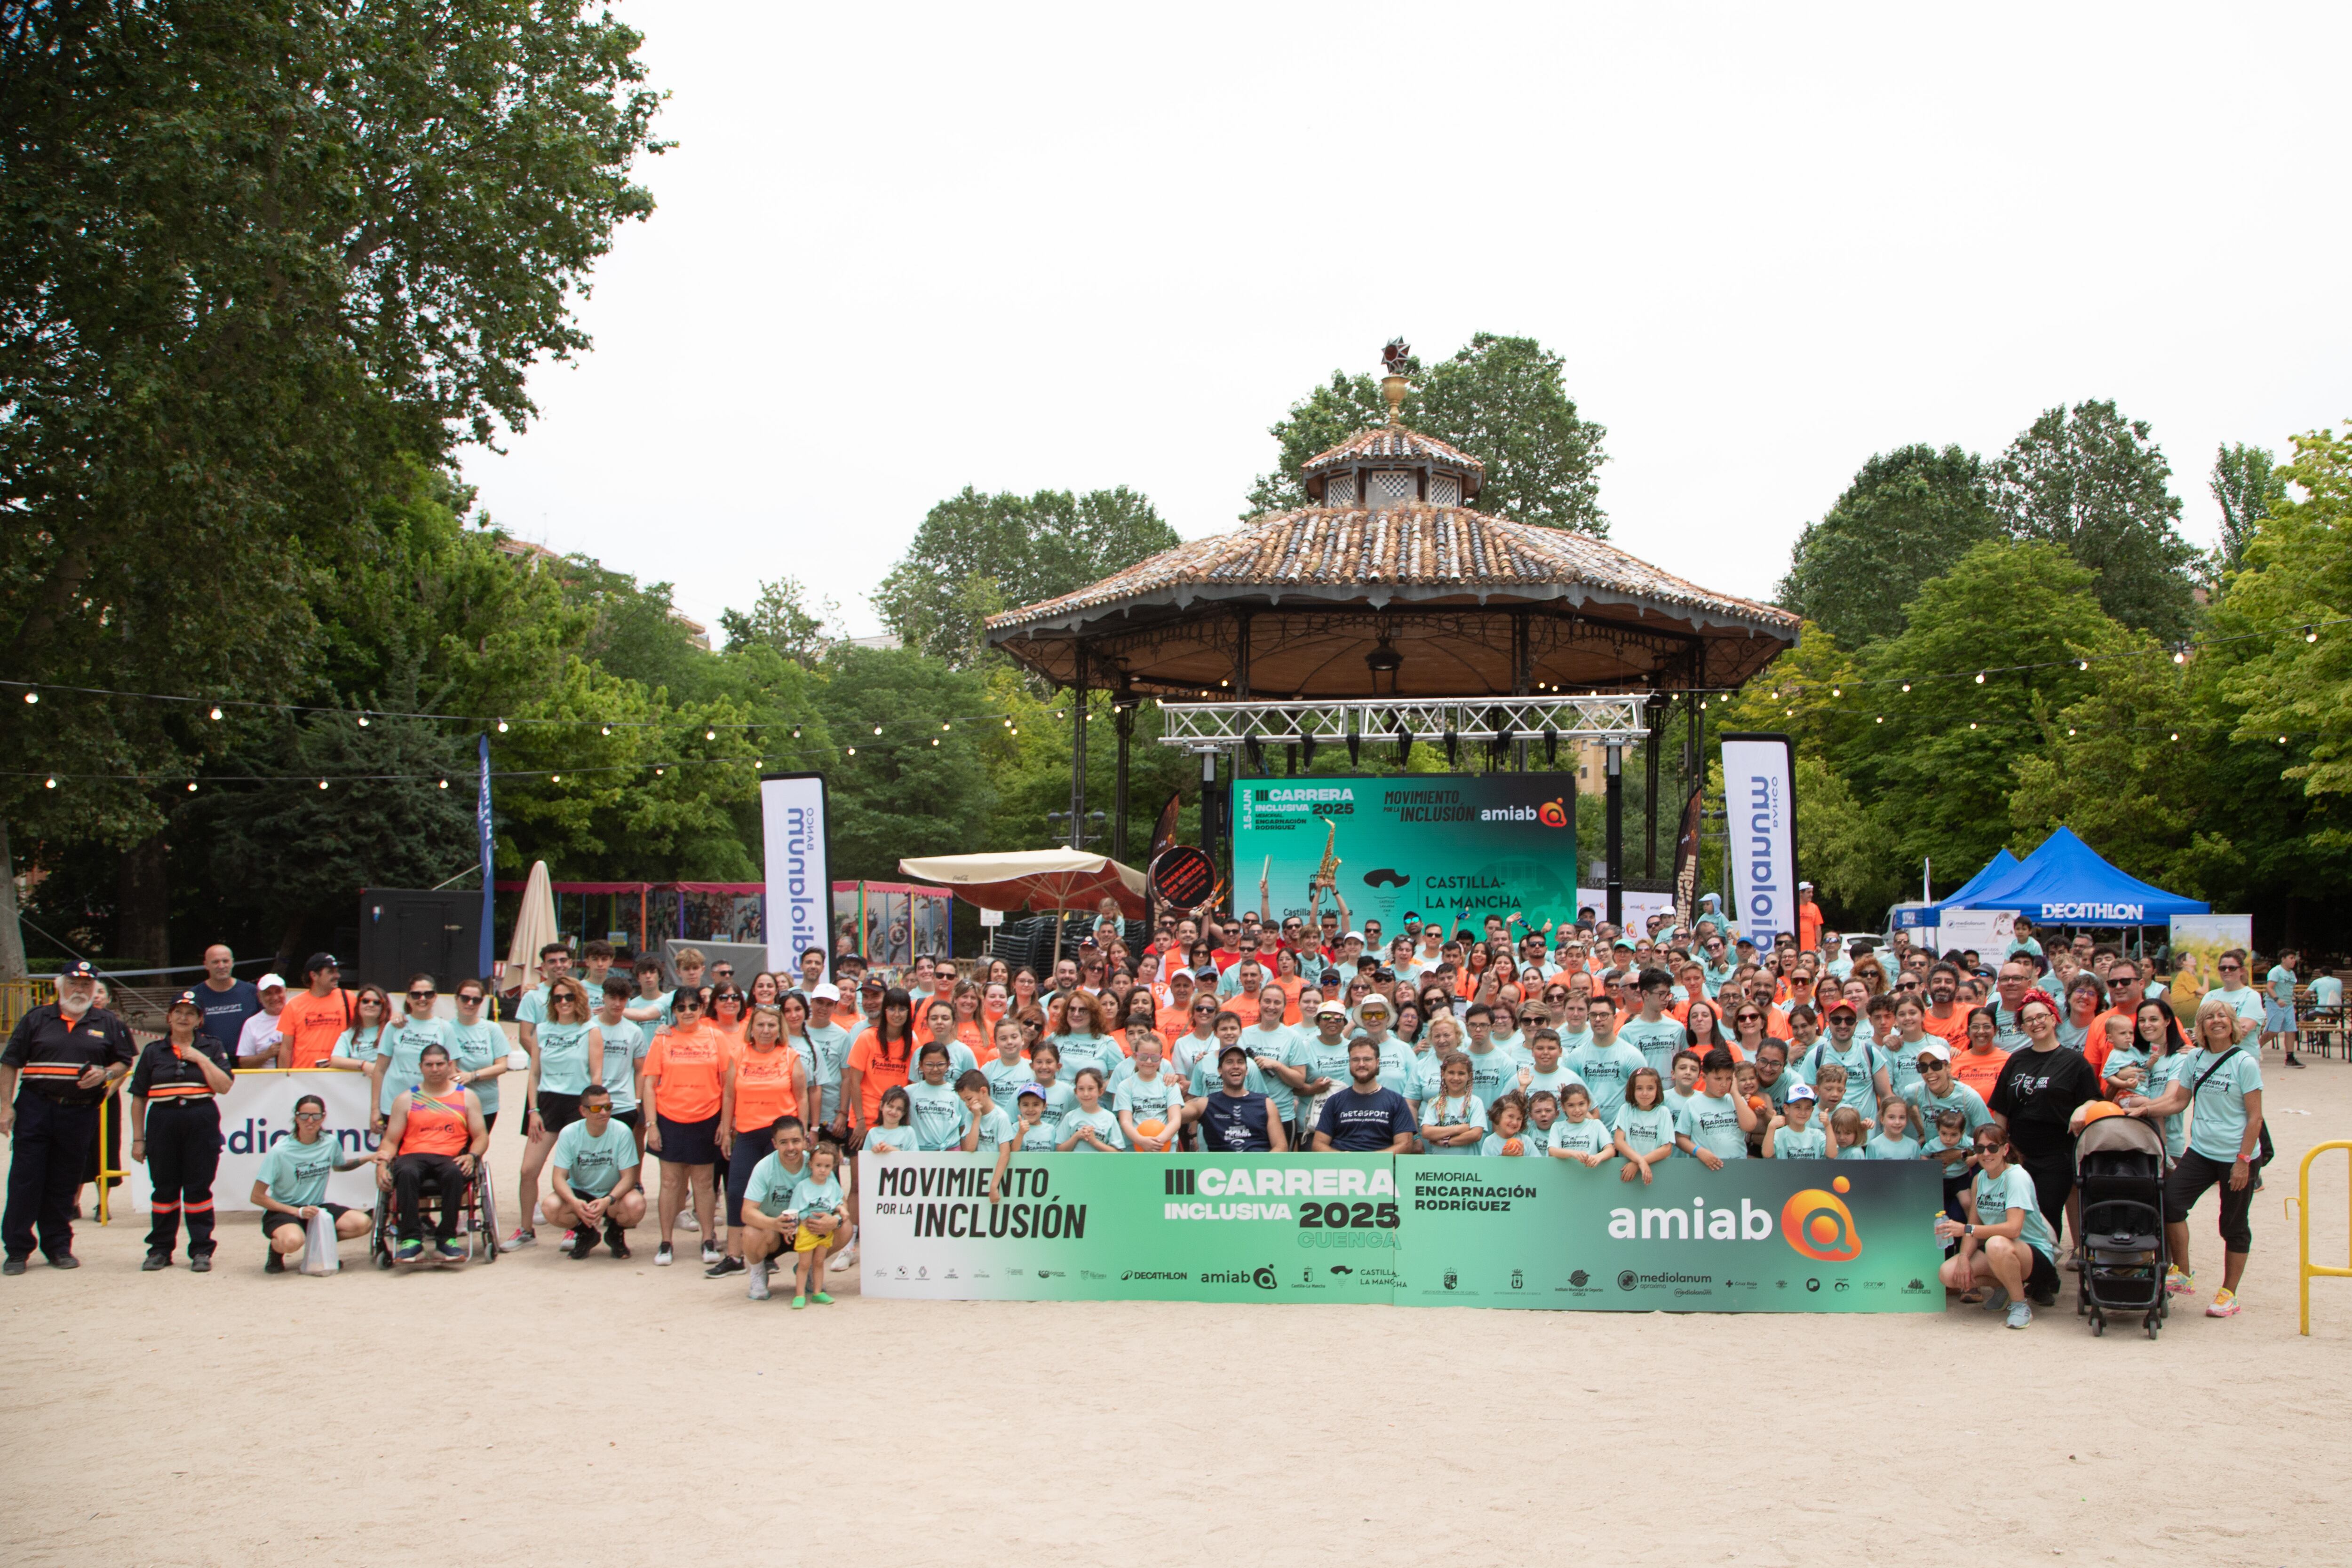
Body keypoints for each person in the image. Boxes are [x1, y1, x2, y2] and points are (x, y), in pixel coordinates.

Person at [2128, 997, 2266, 1319]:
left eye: (2223, 1016)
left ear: (2232, 1024)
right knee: (2171, 1203)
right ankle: (2183, 1272)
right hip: (2202, 1151)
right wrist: (2145, 1110)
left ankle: (2229, 1293)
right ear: (2200, 1026)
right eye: (2209, 1017)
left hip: (2237, 1155)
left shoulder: (2244, 1063)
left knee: (2232, 1225)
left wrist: (2243, 1161)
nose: (2216, 1021)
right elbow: (2179, 1102)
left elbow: (2256, 1118)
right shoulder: (2195, 1059)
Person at [1, 961, 136, 1273]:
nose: (80, 990)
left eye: (87, 985)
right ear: (59, 985)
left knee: (64, 1182)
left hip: (79, 1112)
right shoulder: (37, 1018)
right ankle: (18, 1250)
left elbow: (124, 1061)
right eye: (74, 983)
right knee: (26, 1179)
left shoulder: (107, 1021)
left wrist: (106, 1073)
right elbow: (10, 1062)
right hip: (36, 1108)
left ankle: (58, 1246)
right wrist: (5, 1107)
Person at [127, 990, 238, 1271]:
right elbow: (139, 1097)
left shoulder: (212, 1046)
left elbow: (225, 1086)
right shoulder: (153, 1051)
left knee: (198, 1188)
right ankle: (160, 1250)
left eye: (191, 1013)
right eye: (178, 1012)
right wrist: (138, 1139)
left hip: (200, 1120)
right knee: (164, 1189)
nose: (184, 1018)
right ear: (169, 1017)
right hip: (163, 1121)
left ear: (200, 1020)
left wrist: (201, 1059)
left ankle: (201, 1250)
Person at [1988, 991, 2100, 1267]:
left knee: (2047, 1212)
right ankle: (2022, 1268)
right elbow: (2001, 1109)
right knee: (2018, 1212)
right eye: (2029, 1020)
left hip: (2057, 1154)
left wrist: (2082, 1109)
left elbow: (2094, 1099)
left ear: (2054, 1019)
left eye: (2041, 1017)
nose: (2036, 1023)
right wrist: (2000, 1152)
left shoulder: (2075, 1062)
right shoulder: (2016, 1061)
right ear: (2023, 1027)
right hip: (2019, 1154)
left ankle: (2044, 1274)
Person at [710, 1004, 811, 1279]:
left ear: (779, 1029)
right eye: (761, 1025)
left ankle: (768, 1255)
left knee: (775, 1194)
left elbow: (802, 1096)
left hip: (781, 1137)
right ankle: (734, 1256)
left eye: (771, 1025)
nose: (766, 1031)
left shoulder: (790, 1055)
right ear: (751, 1029)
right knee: (737, 1192)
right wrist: (726, 1130)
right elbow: (729, 1095)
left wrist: (802, 1134)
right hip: (748, 1133)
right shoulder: (739, 1055)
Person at [1937, 1123, 2062, 1330]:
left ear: (2005, 1150)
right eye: (1980, 1149)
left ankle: (2020, 1305)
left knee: (1995, 1244)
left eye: (1993, 1148)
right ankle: (2007, 1286)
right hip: (2002, 1251)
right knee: (1948, 1274)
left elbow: (2013, 1229)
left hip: (2035, 1253)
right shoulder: (1979, 1180)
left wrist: (1966, 1230)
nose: (1986, 1154)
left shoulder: (2016, 1177)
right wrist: (1964, 1258)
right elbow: (1973, 1225)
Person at [373, 1043, 489, 1265]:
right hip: (413, 1155)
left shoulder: (467, 1097)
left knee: (454, 1173)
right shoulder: (406, 1099)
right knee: (406, 1172)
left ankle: (446, 1239)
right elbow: (390, 1140)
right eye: (429, 1065)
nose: (435, 1069)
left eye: (440, 1064)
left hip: (450, 1156)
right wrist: (382, 1164)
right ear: (421, 1067)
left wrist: (472, 1156)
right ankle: (411, 1241)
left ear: (450, 1065)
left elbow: (481, 1136)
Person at [508, 975, 596, 1250]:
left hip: (578, 1104)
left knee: (575, 1172)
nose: (563, 1002)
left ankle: (574, 1228)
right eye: (558, 998)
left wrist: (592, 1112)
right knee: (528, 1170)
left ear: (579, 999)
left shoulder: (590, 1029)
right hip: (547, 1103)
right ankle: (526, 1230)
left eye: (569, 997)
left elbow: (597, 1076)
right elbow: (534, 1074)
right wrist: (533, 1110)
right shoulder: (543, 1030)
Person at [641, 988, 726, 1267]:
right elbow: (650, 1085)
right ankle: (666, 1242)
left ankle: (708, 1239)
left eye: (693, 1006)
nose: (687, 1012)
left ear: (702, 1009)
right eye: (681, 1007)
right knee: (670, 1183)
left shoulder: (715, 1037)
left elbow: (727, 1085)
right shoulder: (663, 1039)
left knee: (704, 1184)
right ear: (673, 1011)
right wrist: (652, 1125)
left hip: (707, 1117)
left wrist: (725, 1123)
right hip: (670, 1118)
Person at [253, 1093, 374, 1272]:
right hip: (284, 1210)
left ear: (323, 1117)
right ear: (296, 1118)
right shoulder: (280, 1151)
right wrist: (297, 1212)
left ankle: (319, 1249)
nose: (310, 1121)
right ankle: (276, 1250)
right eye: (304, 1116)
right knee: (292, 1241)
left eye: (316, 1116)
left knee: (363, 1223)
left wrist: (370, 1158)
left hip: (316, 1208)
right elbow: (257, 1196)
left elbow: (340, 1166)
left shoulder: (330, 1142)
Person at [544, 1083, 645, 1259]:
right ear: (583, 1111)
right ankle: (586, 1234)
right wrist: (575, 1202)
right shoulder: (569, 1133)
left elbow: (629, 1177)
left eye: (608, 1107)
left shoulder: (622, 1131)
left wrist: (608, 1200)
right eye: (597, 1108)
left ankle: (615, 1234)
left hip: (612, 1193)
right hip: (580, 1192)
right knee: (550, 1207)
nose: (604, 1113)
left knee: (636, 1205)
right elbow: (558, 1178)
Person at [1312, 1040, 1417, 1153]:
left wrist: (1368, 1160)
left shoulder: (1396, 1101)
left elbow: (1405, 1145)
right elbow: (1318, 1145)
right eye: (1356, 1060)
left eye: (1367, 1059)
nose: (1361, 1064)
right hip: (1342, 1161)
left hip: (1382, 1162)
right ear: (1350, 1063)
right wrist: (1342, 1158)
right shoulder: (1334, 1101)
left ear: (1377, 1062)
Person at [1182, 1043, 1287, 1153]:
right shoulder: (1206, 1104)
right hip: (1221, 1163)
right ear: (1220, 1070)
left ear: (1247, 1070)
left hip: (1258, 1161)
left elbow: (1281, 1147)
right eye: (1230, 1062)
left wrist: (1258, 1164)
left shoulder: (1266, 1104)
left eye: (1240, 1062)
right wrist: (1171, 1084)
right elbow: (1174, 1115)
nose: (1236, 1066)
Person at [784, 1146, 847, 1309]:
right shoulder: (803, 1187)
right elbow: (795, 1209)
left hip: (825, 1232)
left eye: (827, 1166)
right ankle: (799, 1295)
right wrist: (800, 1224)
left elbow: (838, 1202)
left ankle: (817, 1292)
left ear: (833, 1167)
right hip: (807, 1231)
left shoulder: (833, 1186)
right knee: (804, 1264)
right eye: (819, 1165)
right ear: (810, 1164)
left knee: (818, 1262)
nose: (823, 1170)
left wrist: (841, 1211)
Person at [1673, 1049, 1756, 1169]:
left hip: (1738, 1166)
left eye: (1729, 1079)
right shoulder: (1692, 1104)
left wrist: (1735, 1093)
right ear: (1704, 1077)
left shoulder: (1736, 1100)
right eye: (1718, 1079)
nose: (1724, 1084)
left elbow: (1750, 1126)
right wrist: (1698, 1151)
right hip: (1706, 1167)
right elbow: (1680, 1138)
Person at [275, 953, 358, 1069]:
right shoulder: (294, 1005)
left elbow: (364, 1031)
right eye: (331, 972)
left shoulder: (349, 998)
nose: (338, 976)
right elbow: (287, 1048)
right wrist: (284, 1077)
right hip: (304, 1074)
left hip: (339, 1072)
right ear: (314, 976)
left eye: (337, 971)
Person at [191, 944, 262, 1055]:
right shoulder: (195, 996)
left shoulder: (253, 993)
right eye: (215, 962)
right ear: (206, 965)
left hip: (246, 1060)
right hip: (208, 1060)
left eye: (225, 961)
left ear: (233, 963)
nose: (221, 966)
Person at [1417, 1051, 1485, 1156]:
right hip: (1441, 1163)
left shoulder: (1475, 1102)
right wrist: (1460, 1129)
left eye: (1461, 1073)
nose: (1456, 1078)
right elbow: (1427, 1132)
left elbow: (1476, 1134)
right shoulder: (1436, 1103)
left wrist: (1446, 1142)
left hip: (1468, 1163)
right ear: (1443, 1074)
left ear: (1469, 1076)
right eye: (1451, 1073)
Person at [234, 973, 291, 1067]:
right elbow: (244, 1063)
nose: (275, 998)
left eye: (278, 992)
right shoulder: (252, 1024)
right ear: (260, 998)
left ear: (286, 992)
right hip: (266, 1076)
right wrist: (267, 1055)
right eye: (268, 993)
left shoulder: (299, 1016)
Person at [2265, 948, 2305, 1068]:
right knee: (2273, 1032)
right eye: (2291, 958)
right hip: (2275, 1004)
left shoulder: (2292, 973)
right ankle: (2254, 1051)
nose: (2294, 961)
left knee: (2291, 1029)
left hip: (2288, 1004)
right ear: (2283, 959)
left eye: (2294, 958)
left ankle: (2290, 1058)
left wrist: (2295, 997)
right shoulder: (2276, 971)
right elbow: (2269, 988)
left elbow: (2288, 988)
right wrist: (2277, 999)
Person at [1764, 1083, 1827, 1159]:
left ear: (1812, 1110)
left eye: (1808, 1108)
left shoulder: (1817, 1135)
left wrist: (1828, 1126)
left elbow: (1832, 1155)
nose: (1803, 1113)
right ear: (1786, 1109)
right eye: (1798, 1107)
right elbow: (1767, 1155)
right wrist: (1771, 1127)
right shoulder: (1779, 1134)